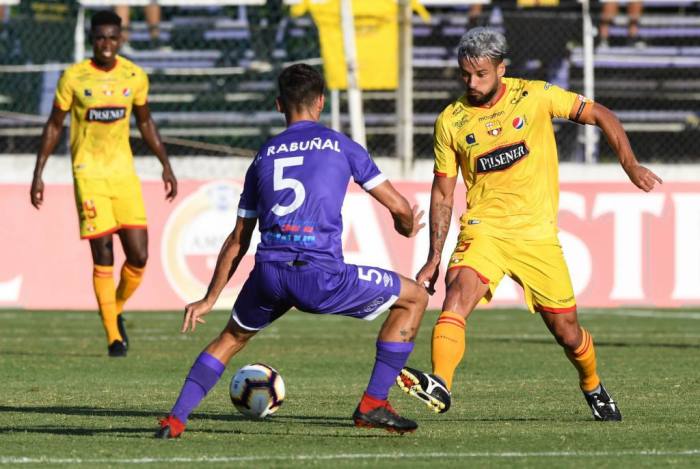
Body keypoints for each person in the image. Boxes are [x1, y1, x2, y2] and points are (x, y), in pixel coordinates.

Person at [396, 27, 662, 421]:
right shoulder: (450, 121)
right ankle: (441, 383)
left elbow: (601, 114)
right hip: (484, 229)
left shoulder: (535, 95)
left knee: (568, 332)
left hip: (536, 235)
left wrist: (630, 164)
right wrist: (434, 258)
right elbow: (443, 194)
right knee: (456, 295)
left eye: (481, 74)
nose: (472, 83)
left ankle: (592, 385)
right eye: (465, 74)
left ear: (501, 69)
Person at [155, 63, 428, 439]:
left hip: (269, 274)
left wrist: (209, 298)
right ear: (321, 102)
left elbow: (238, 239)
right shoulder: (341, 145)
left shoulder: (263, 156)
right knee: (414, 298)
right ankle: (373, 403)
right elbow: (399, 208)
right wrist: (406, 226)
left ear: (279, 104)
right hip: (319, 275)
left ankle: (175, 419)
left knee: (231, 338)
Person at [30, 10, 177, 357]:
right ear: (92, 39)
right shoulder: (74, 77)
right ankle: (113, 336)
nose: (106, 44)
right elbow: (54, 125)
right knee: (104, 253)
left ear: (121, 38)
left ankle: (114, 307)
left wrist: (166, 164)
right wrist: (39, 172)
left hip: (123, 175)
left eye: (112, 37)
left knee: (139, 256)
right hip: (89, 174)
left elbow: (145, 122)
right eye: (100, 38)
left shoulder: (134, 76)